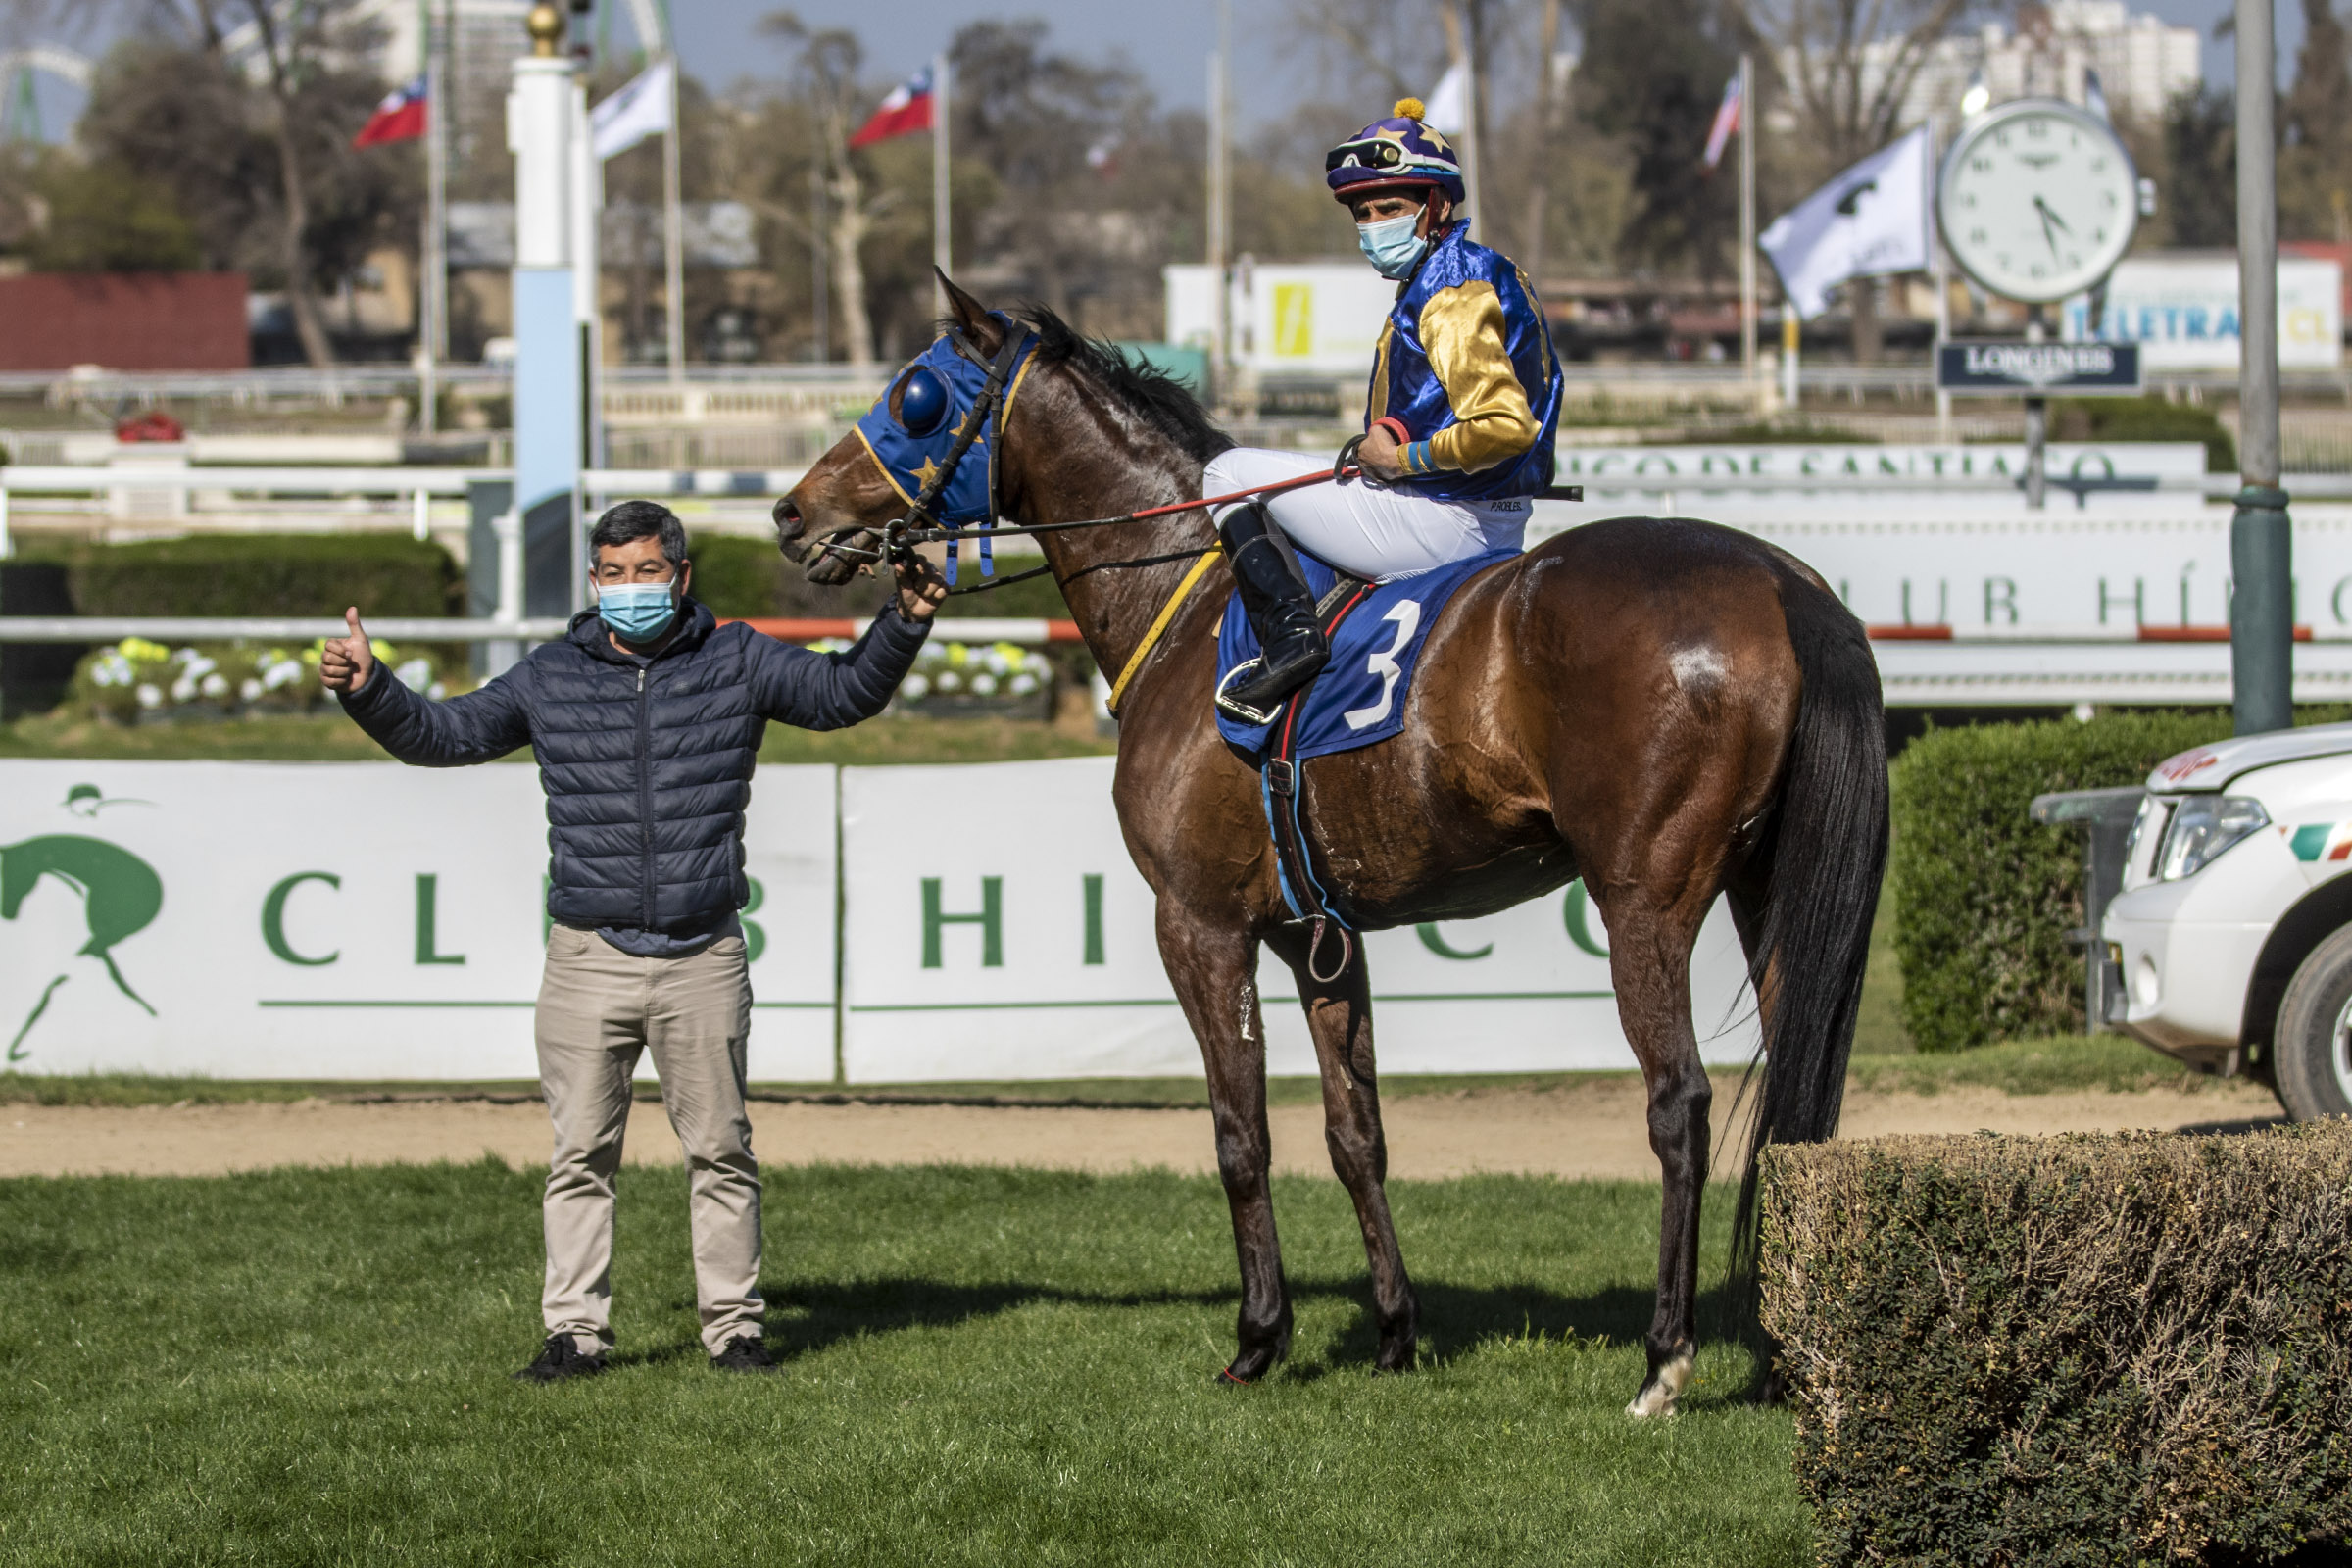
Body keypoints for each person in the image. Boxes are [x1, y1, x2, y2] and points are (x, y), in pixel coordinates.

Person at [319, 500, 944, 1381]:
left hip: (703, 956)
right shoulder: (550, 675)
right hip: (586, 958)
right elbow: (444, 737)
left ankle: (735, 1332)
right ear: (593, 580)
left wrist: (904, 619)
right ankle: (574, 1335)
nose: (630, 588)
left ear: (680, 577)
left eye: (647, 571)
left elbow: (842, 695)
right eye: (612, 574)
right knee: (580, 1157)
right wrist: (368, 688)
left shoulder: (738, 657)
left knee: (722, 1153)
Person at [1210, 97, 1565, 723]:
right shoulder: (1468, 272)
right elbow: (1445, 403)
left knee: (1227, 472)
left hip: (1450, 520)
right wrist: (1395, 436)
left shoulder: (1449, 291)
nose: (1373, 225)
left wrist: (1401, 460)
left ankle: (1291, 639)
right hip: (1480, 510)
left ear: (1437, 206)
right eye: (1363, 213)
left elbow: (1506, 426)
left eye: (1391, 208)